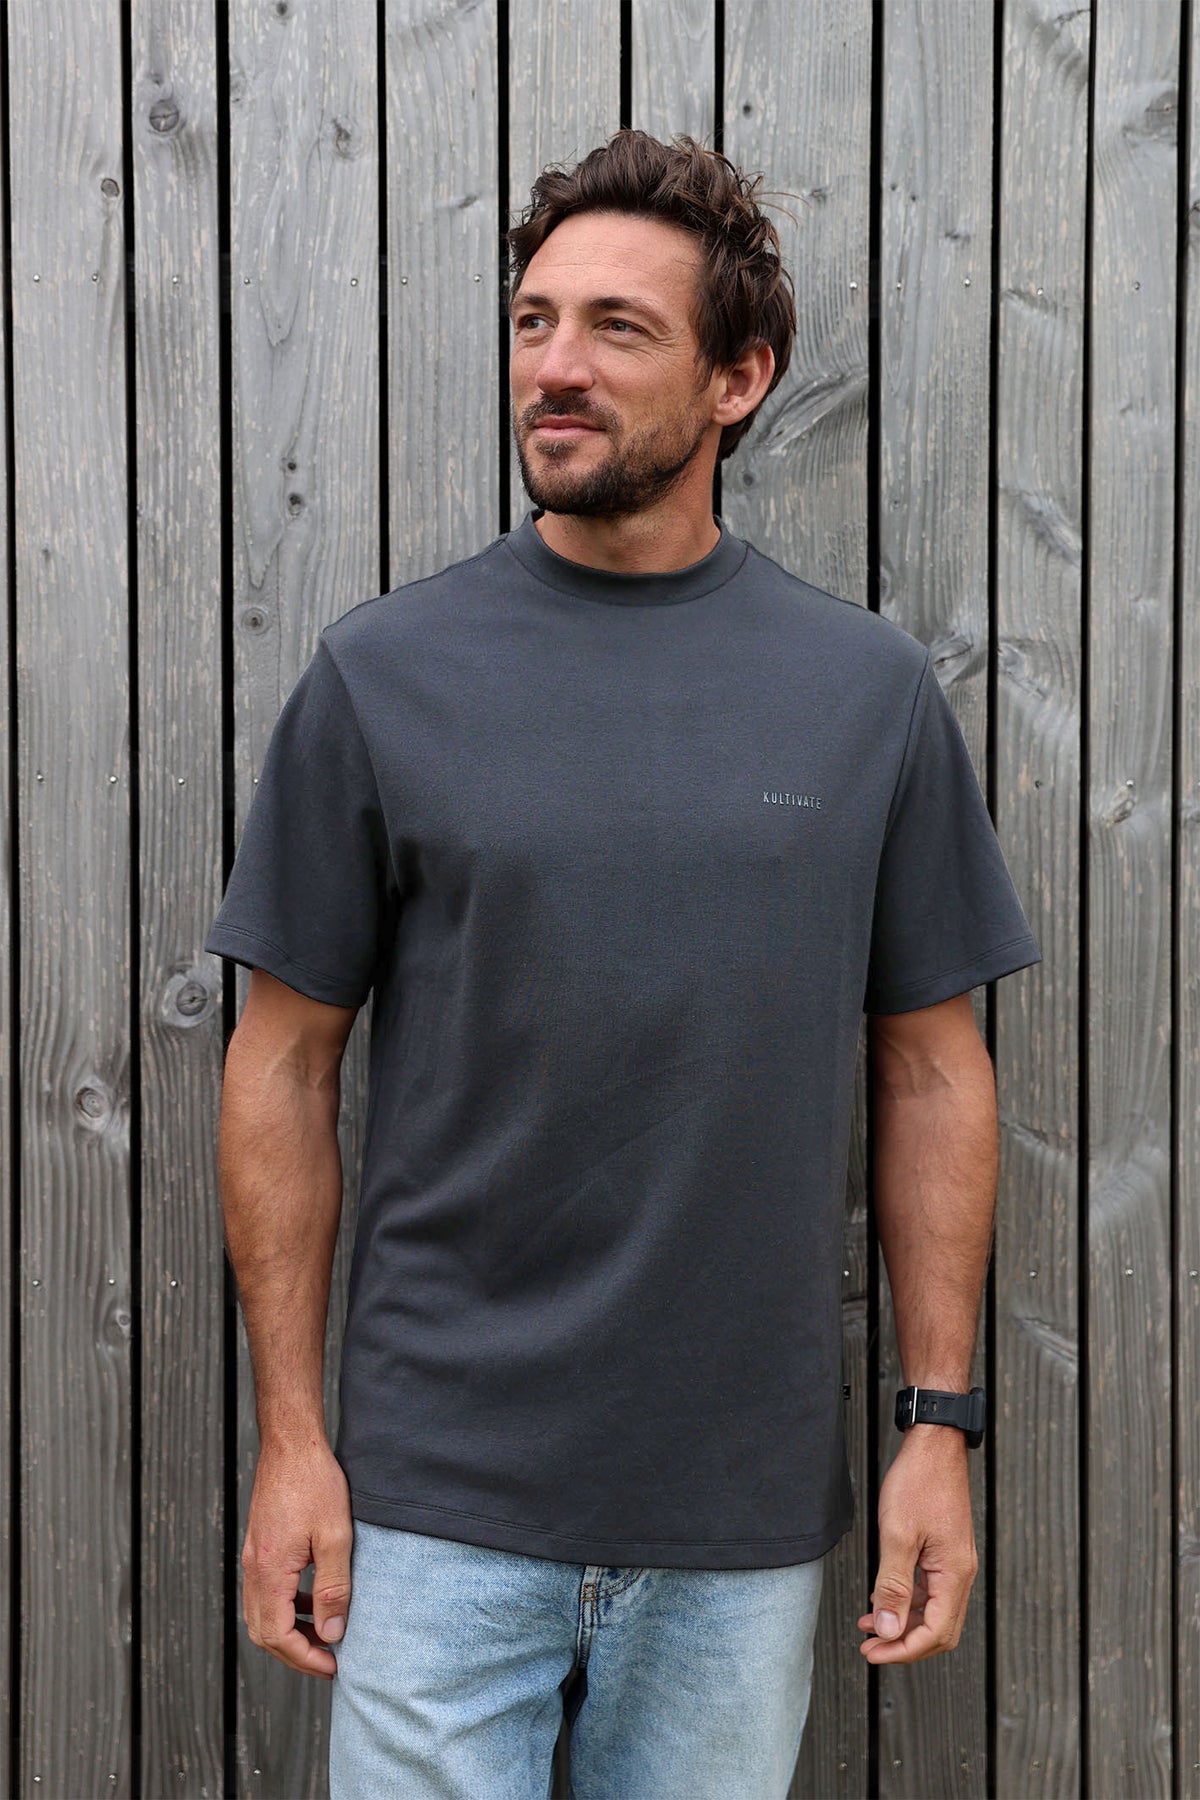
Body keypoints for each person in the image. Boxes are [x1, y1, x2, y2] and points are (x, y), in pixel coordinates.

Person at [209, 130, 1039, 1798]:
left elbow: (935, 1070)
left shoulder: (865, 694)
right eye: (534, 321)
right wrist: (293, 1440)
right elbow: (281, 1065)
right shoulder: (384, 675)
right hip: (435, 1508)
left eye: (615, 328)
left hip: (739, 1517)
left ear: (740, 379)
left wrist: (937, 1431)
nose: (555, 368)